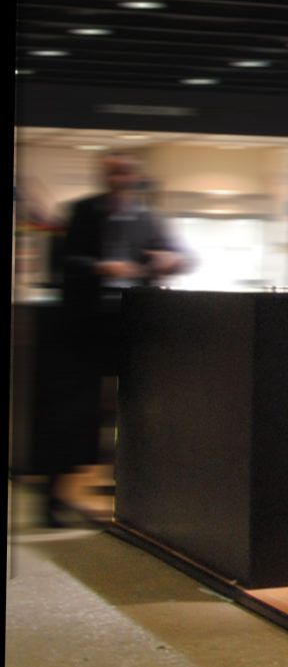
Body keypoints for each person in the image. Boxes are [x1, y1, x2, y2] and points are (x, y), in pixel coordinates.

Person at [43, 155, 192, 527]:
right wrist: (100, 267)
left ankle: (132, 501)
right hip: (84, 324)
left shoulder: (148, 219)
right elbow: (61, 262)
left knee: (135, 411)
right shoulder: (81, 212)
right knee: (73, 412)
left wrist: (171, 260)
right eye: (113, 172)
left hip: (132, 322)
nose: (119, 179)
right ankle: (55, 499)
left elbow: (187, 258)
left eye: (125, 172)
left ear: (136, 177)